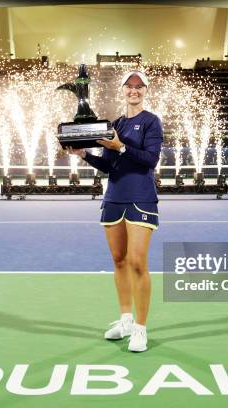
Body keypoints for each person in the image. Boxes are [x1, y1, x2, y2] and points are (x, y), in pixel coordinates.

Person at [68, 70, 163, 352]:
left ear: (145, 90)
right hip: (113, 199)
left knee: (137, 262)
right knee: (119, 260)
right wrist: (84, 155)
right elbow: (109, 167)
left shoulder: (151, 122)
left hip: (141, 198)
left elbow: (150, 160)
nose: (134, 90)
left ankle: (141, 329)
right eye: (129, 86)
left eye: (139, 86)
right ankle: (125, 320)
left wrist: (122, 147)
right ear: (122, 90)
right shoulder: (114, 124)